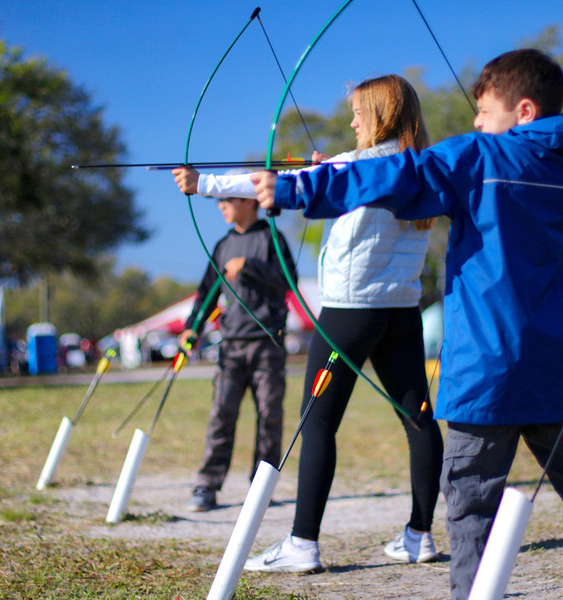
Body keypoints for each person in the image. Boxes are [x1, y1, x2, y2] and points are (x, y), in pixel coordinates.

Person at [253, 50, 563, 600]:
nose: (475, 122)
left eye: (483, 111)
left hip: (485, 370)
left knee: (471, 499)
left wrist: (298, 188)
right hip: (555, 368)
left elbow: (400, 173)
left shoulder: (480, 156)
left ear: (523, 110)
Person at [172, 74, 445, 573]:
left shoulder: (355, 165)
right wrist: (331, 172)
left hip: (348, 313)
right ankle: (419, 536)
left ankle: (302, 544)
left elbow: (278, 186)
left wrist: (203, 183)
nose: (351, 120)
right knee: (419, 419)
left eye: (359, 112)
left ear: (381, 114)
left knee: (317, 423)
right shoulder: (422, 168)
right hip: (402, 309)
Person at [179, 182, 296, 513]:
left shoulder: (272, 238)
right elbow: (206, 291)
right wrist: (192, 327)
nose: (220, 207)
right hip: (231, 346)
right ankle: (207, 484)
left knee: (269, 417)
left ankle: (261, 487)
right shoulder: (223, 245)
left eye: (226, 200)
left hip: (267, 345)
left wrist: (249, 266)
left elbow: (289, 279)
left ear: (248, 201)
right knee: (221, 414)